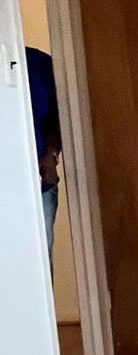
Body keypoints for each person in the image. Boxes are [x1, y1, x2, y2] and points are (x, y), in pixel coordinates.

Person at [26, 46, 62, 268]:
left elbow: (58, 118)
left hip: (40, 183)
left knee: (39, 267)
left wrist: (50, 156)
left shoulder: (39, 64)